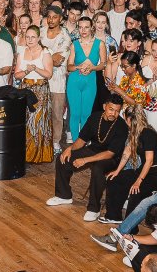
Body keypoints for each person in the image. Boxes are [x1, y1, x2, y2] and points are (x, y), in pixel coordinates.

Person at [50, 95, 130, 223]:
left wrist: (85, 160)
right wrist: (70, 149)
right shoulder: (95, 117)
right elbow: (82, 140)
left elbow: (110, 154)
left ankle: (94, 208)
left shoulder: (121, 126)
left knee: (98, 168)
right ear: (104, 106)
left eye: (117, 111)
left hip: (112, 158)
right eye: (111, 109)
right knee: (63, 158)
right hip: (93, 150)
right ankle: (63, 195)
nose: (113, 113)